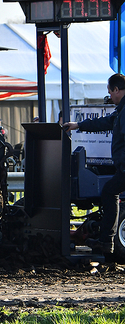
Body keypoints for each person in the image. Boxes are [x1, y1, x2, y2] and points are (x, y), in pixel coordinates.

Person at [62, 73, 125, 255]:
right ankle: (106, 240)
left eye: (110, 92)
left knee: (109, 192)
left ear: (116, 89)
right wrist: (78, 125)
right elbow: (104, 122)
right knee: (110, 192)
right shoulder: (121, 110)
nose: (110, 96)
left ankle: (107, 241)